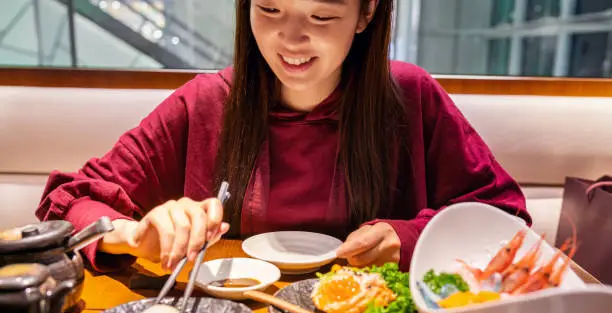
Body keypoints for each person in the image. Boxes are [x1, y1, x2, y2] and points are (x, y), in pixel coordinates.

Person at [36, 0, 531, 274]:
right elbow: (69, 202)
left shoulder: (410, 97)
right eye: (269, 9)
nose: (290, 39)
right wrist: (132, 234)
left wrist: (408, 238)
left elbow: (503, 216)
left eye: (320, 17)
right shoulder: (206, 103)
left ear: (366, 14)